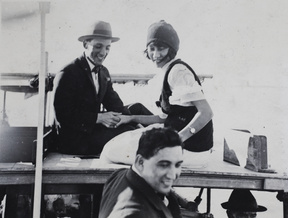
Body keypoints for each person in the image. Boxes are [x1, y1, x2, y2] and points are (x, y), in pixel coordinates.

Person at [53, 21, 151, 155]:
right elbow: (62, 115)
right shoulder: (68, 73)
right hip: (74, 140)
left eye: (107, 48)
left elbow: (115, 105)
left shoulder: (103, 72)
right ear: (85, 44)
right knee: (128, 132)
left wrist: (134, 120)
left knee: (137, 108)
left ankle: (171, 136)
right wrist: (99, 118)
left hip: (93, 129)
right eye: (98, 46)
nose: (103, 53)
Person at [116, 20, 213, 152]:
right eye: (152, 49)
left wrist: (179, 139)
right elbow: (165, 118)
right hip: (177, 139)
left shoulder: (178, 72)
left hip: (191, 147)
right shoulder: (167, 71)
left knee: (116, 151)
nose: (156, 55)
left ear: (171, 49)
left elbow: (206, 112)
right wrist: (131, 118)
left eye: (161, 49)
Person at [98, 127, 184, 218]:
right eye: (163, 165)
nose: (172, 175)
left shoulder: (118, 175)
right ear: (140, 162)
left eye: (177, 165)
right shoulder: (134, 214)